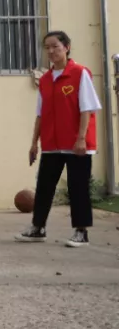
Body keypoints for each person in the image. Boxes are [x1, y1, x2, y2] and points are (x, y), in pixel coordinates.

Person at [17, 31, 101, 247]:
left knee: (78, 187)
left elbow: (87, 109)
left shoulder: (80, 73)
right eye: (47, 47)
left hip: (77, 145)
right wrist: (34, 143)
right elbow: (40, 114)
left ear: (67, 47)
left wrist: (81, 138)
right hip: (52, 144)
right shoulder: (45, 79)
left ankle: (81, 232)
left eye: (55, 46)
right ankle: (38, 228)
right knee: (44, 186)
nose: (51, 51)